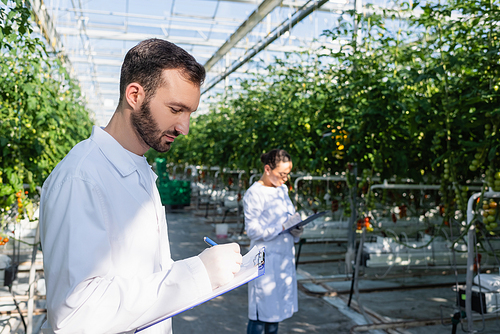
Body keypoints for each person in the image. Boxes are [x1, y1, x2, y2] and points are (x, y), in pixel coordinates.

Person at [39, 38, 242, 334]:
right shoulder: (80, 179)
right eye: (175, 109)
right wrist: (197, 273)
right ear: (134, 95)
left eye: (189, 114)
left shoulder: (139, 169)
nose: (184, 128)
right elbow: (75, 313)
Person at [243, 149, 303, 334]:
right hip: (266, 260)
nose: (285, 179)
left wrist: (297, 228)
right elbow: (253, 230)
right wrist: (282, 227)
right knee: (261, 316)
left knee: (275, 315)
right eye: (282, 174)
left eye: (288, 174)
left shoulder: (282, 190)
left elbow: (287, 218)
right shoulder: (254, 193)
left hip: (283, 258)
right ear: (268, 169)